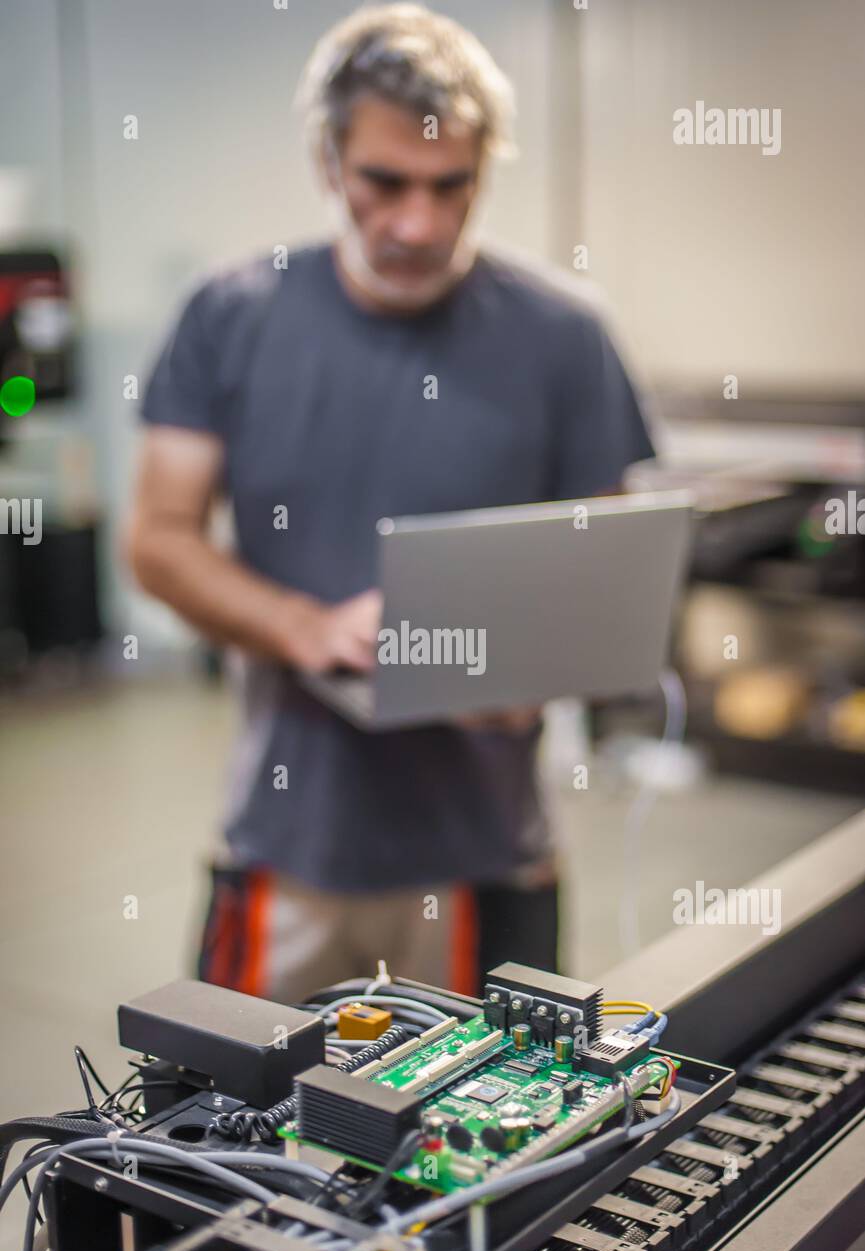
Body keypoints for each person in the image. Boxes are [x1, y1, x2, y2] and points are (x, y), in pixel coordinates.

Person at [125, 3, 654, 1004]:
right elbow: (157, 539)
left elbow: (601, 574)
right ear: (328, 160)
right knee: (234, 1148)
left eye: (451, 186)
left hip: (487, 847)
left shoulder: (563, 335)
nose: (418, 223)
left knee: (489, 1152)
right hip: (290, 838)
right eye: (385, 183)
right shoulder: (231, 314)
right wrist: (308, 627)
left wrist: (529, 666)